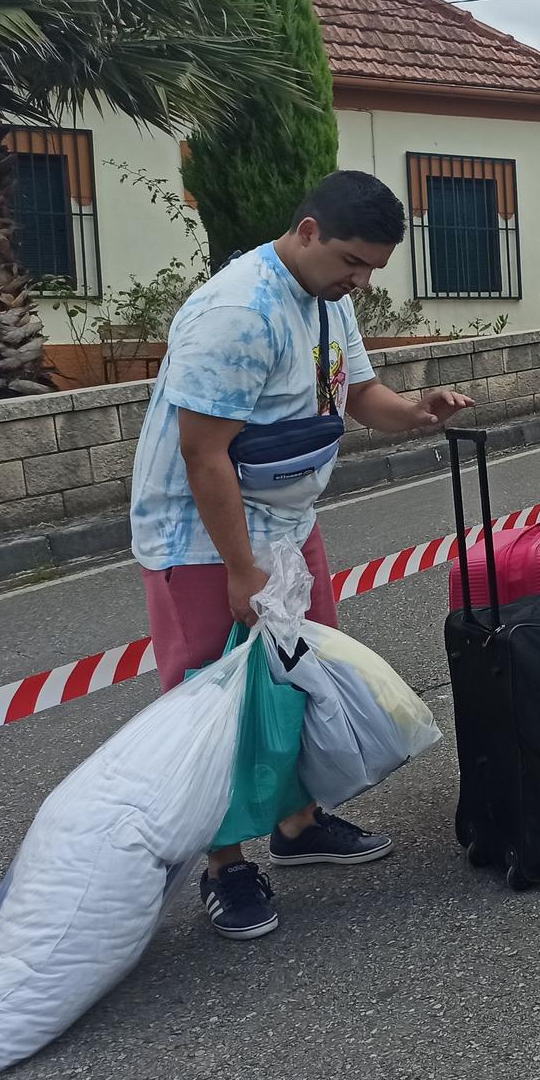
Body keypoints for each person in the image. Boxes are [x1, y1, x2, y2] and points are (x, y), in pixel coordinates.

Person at [128, 170, 475, 940]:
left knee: (297, 679)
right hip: (204, 537)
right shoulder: (235, 312)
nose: (360, 282)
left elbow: (356, 395)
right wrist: (242, 569)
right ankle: (225, 866)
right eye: (353, 261)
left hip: (286, 520)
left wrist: (416, 413)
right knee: (212, 702)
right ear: (309, 230)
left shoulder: (327, 301)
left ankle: (296, 824)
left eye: (373, 270)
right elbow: (203, 455)